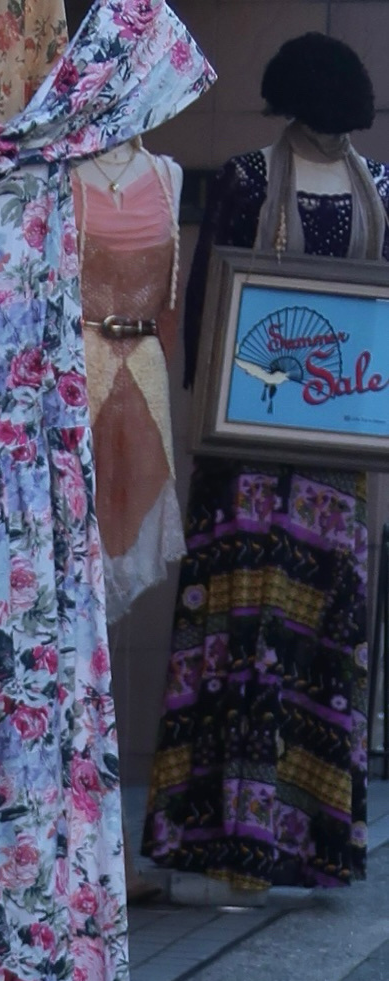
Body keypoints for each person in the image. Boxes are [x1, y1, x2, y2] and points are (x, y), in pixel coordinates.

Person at [144, 30, 386, 892]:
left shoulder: (374, 187)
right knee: (245, 628)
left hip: (325, 456)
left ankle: (292, 844)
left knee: (301, 630)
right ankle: (230, 844)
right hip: (251, 451)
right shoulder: (252, 179)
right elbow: (210, 300)